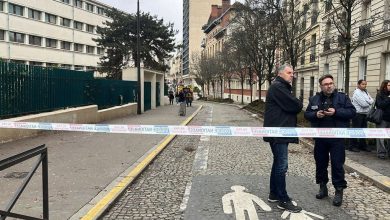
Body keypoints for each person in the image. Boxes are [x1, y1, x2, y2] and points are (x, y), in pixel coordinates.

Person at [304, 74, 356, 207]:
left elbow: (351, 112)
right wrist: (316, 114)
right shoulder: (315, 98)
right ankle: (323, 187)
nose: (329, 86)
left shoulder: (342, 97)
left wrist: (336, 112)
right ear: (321, 86)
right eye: (326, 84)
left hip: (337, 138)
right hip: (320, 138)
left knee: (337, 164)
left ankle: (339, 191)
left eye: (331, 83)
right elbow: (307, 114)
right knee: (320, 163)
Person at [263, 64, 303, 213]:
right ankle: (283, 199)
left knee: (277, 163)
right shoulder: (279, 87)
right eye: (289, 72)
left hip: (279, 131)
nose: (292, 75)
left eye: (292, 73)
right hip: (279, 132)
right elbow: (296, 106)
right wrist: (297, 102)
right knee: (282, 166)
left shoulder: (281, 86)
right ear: (281, 74)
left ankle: (274, 193)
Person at [349, 79, 374, 152]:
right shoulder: (357, 93)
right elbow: (364, 104)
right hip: (358, 114)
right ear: (358, 85)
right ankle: (352, 146)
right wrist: (369, 102)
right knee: (356, 130)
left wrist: (369, 102)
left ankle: (362, 145)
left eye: (365, 84)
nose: (364, 85)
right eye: (363, 84)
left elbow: (372, 100)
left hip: (364, 114)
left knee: (364, 130)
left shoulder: (365, 92)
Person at [375, 80, 390, 159]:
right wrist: (388, 99)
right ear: (384, 86)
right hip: (382, 119)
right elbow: (380, 105)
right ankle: (381, 153)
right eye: (389, 85)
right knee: (381, 137)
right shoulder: (380, 94)